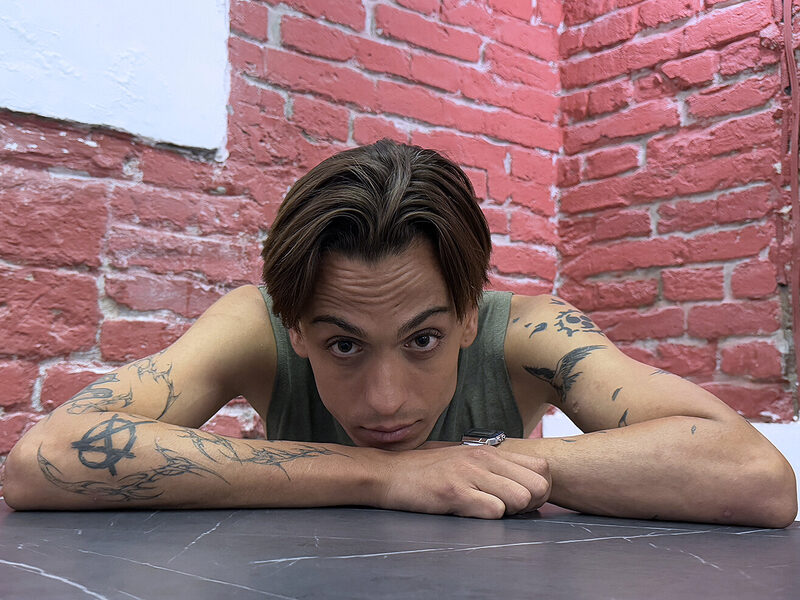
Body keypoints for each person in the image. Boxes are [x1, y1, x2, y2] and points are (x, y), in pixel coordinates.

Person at [3, 140, 796, 527]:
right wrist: (385, 476)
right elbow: (42, 461)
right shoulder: (253, 324)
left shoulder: (528, 330)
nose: (386, 401)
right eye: (344, 345)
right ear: (296, 329)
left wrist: (477, 464)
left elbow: (757, 477)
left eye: (422, 340)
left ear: (468, 315)